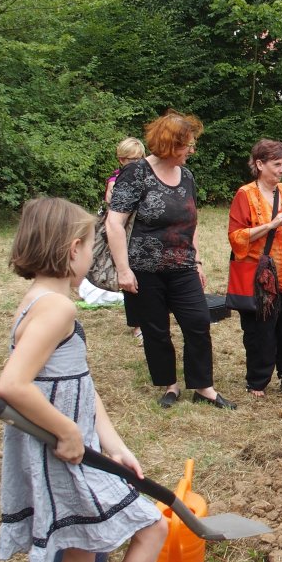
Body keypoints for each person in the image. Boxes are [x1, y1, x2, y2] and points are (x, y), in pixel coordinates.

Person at [0, 197, 167, 562]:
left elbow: (78, 382)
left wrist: (112, 443)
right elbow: (11, 384)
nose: (94, 254)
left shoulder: (40, 300)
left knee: (78, 542)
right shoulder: (57, 310)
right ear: (74, 249)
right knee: (153, 526)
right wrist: (70, 432)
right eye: (92, 244)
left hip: (73, 445)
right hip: (62, 448)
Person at [106, 109, 236, 410]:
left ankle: (203, 387)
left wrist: (198, 261)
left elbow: (192, 222)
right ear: (167, 145)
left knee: (198, 323)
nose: (191, 150)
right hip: (145, 269)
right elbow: (114, 222)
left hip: (183, 266)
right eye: (186, 145)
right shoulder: (136, 172)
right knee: (156, 330)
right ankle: (169, 385)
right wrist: (123, 270)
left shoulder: (187, 176)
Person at [227, 139, 282, 399]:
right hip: (261, 277)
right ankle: (257, 381)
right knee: (260, 332)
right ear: (259, 164)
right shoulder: (245, 195)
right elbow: (236, 236)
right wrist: (271, 225)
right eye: (277, 165)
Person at [105, 137, 146, 342]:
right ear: (121, 160)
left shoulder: (148, 175)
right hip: (126, 236)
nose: (137, 163)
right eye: (132, 159)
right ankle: (137, 325)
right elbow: (111, 200)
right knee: (132, 281)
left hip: (143, 235)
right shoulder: (117, 178)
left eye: (141, 158)